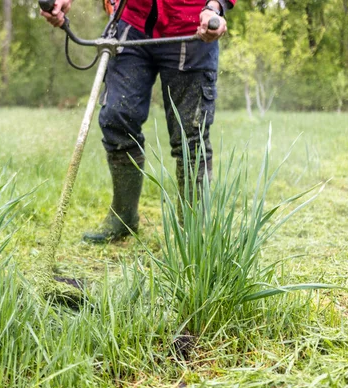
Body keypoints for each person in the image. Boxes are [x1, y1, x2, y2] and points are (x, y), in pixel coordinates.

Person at [42, 0, 235, 243]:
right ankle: (123, 218)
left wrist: (215, 7)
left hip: (193, 29)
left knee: (190, 137)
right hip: (132, 24)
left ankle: (193, 235)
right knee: (116, 118)